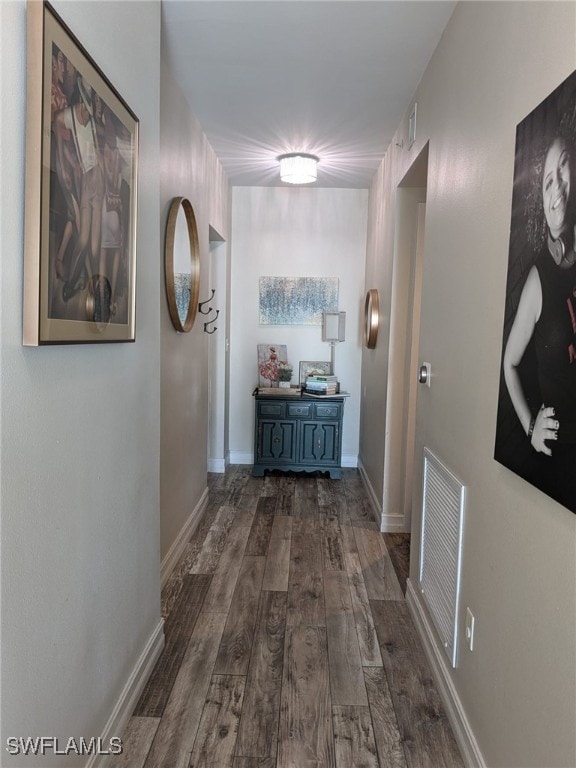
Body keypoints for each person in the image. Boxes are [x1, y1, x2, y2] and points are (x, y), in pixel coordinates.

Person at [503, 131, 576, 510]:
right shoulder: (539, 278)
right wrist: (531, 426)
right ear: (542, 202)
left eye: (563, 166)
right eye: (547, 181)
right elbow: (509, 362)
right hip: (560, 458)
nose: (557, 187)